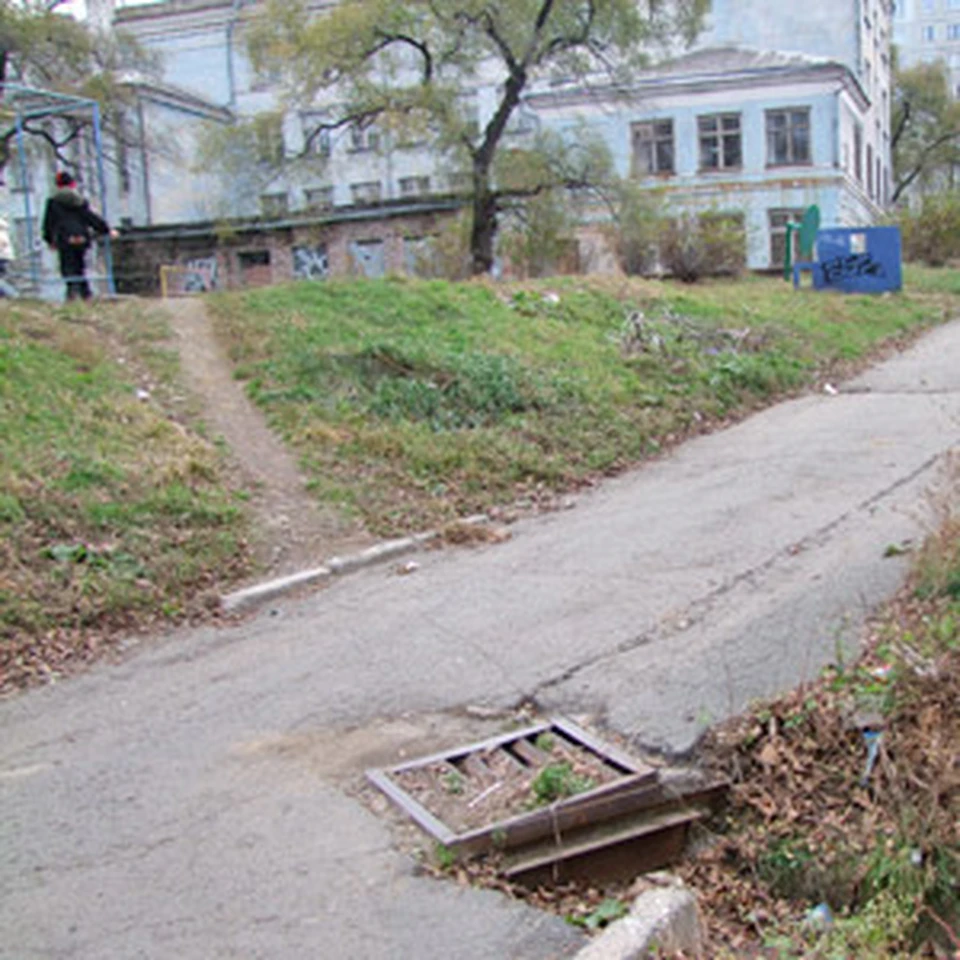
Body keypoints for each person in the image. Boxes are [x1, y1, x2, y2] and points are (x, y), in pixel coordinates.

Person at [42, 171, 118, 301]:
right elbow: (90, 218)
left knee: (67, 267)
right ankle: (85, 293)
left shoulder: (53, 202)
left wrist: (49, 240)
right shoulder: (80, 201)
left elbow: (48, 223)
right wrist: (106, 229)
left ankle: (72, 292)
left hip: (65, 238)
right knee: (80, 265)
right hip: (82, 237)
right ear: (72, 184)